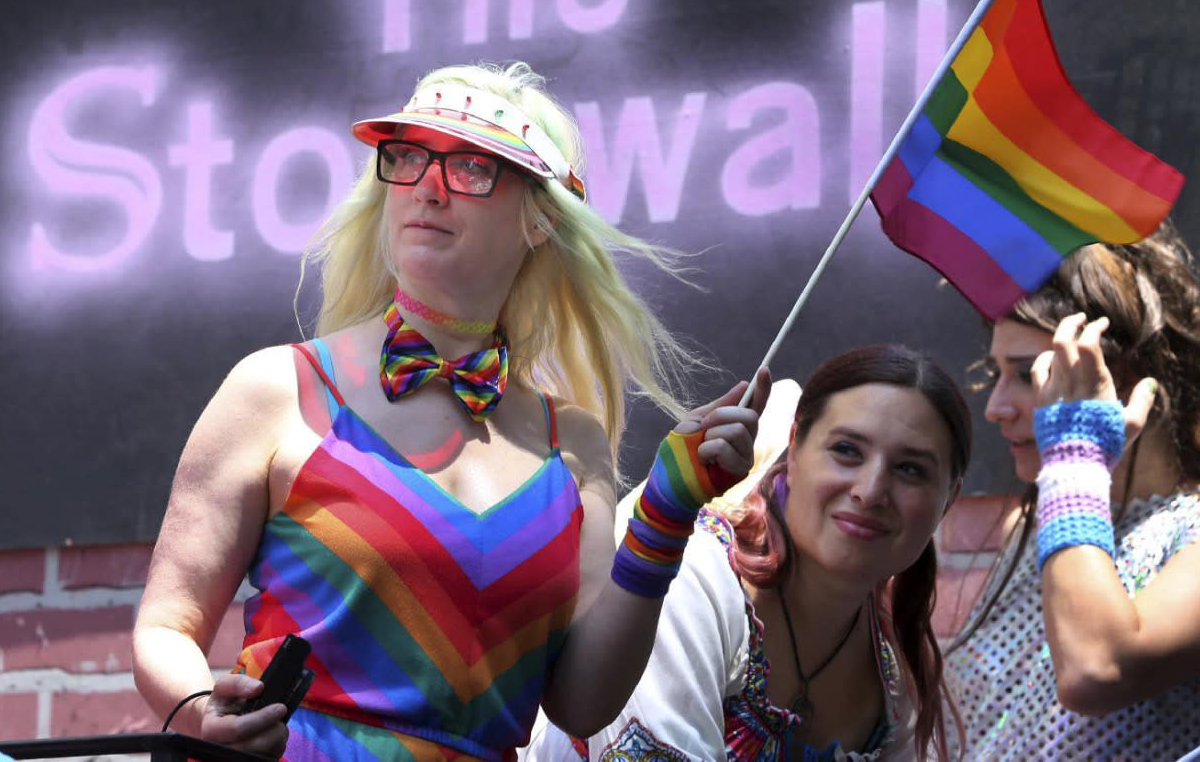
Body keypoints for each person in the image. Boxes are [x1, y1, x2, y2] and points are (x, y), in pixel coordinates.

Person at [131, 61, 772, 761]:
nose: (428, 189)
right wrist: (202, 712)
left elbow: (582, 702)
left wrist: (664, 519)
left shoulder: (574, 444)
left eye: (471, 167)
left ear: (540, 219)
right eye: (407, 157)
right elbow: (167, 626)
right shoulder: (275, 390)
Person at [524, 343, 970, 761]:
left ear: (948, 500)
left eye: (910, 469)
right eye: (847, 451)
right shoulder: (694, 579)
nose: (871, 491)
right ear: (794, 451)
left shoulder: (893, 670)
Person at [947, 221, 1200, 759]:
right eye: (995, 373)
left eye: (1028, 374)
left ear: (1126, 372)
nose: (995, 407)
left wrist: (1074, 454)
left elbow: (1097, 669)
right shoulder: (1041, 524)